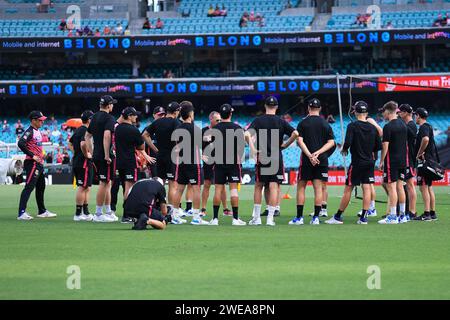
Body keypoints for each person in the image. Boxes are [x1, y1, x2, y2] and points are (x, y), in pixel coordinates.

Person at [325, 101, 381, 225]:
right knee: (366, 188)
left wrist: (344, 149)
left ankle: (338, 216)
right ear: (366, 113)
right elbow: (378, 146)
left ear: (355, 112)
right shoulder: (373, 128)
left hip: (357, 162)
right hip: (369, 162)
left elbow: (348, 142)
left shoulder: (353, 126)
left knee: (348, 189)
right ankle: (363, 218)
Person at [247, 96, 299, 226]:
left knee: (259, 186)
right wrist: (286, 145)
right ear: (276, 107)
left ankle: (257, 218)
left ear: (265, 106)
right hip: (276, 156)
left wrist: (253, 148)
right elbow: (296, 134)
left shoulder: (258, 120)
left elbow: (246, 134)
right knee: (274, 186)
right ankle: (270, 218)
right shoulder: (281, 121)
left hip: (262, 156)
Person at [292, 98, 334, 226]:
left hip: (306, 159)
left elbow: (300, 141)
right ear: (320, 109)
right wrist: (318, 153)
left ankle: (299, 218)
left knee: (301, 187)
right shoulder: (326, 123)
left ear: (308, 108)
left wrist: (310, 155)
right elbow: (331, 142)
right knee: (318, 189)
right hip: (321, 159)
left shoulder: (303, 123)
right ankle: (315, 217)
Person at [142, 102, 183, 222]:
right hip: (171, 157)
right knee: (172, 185)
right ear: (176, 112)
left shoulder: (157, 122)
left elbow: (145, 135)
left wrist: (155, 149)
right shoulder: (176, 122)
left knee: (160, 183)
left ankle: (156, 210)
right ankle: (172, 214)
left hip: (160, 156)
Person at [209, 104, 246, 226]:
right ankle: (235, 219)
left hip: (219, 162)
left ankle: (215, 219)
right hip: (233, 163)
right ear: (230, 114)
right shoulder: (237, 128)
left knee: (218, 190)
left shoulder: (215, 128)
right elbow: (241, 148)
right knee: (234, 190)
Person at [171, 101, 208, 225]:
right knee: (196, 189)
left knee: (179, 189)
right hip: (193, 162)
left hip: (181, 161)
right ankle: (196, 217)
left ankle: (175, 216)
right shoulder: (195, 128)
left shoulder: (178, 127)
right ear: (190, 113)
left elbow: (176, 145)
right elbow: (200, 146)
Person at [115, 107, 155, 221]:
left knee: (124, 187)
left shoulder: (117, 128)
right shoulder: (133, 130)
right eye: (134, 115)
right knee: (129, 188)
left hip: (120, 161)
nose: (136, 117)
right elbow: (141, 146)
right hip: (129, 161)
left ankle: (126, 214)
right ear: (129, 116)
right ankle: (127, 214)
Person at [17, 111, 57, 220]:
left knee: (41, 187)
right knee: (29, 187)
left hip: (38, 163)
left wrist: (41, 154)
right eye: (40, 120)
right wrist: (32, 155)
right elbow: (21, 143)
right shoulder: (29, 131)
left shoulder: (37, 131)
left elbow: (36, 146)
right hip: (32, 163)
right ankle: (21, 213)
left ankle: (42, 211)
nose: (42, 122)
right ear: (33, 120)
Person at [85, 95, 118, 222]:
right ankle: (98, 214)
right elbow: (106, 136)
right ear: (109, 105)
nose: (113, 106)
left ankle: (108, 211)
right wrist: (106, 155)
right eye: (112, 104)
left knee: (108, 182)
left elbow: (87, 136)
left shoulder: (94, 117)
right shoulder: (109, 118)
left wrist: (92, 152)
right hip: (105, 155)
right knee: (104, 183)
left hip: (97, 154)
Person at [377, 101, 408, 225]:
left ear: (388, 111)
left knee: (391, 187)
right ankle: (403, 215)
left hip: (392, 161)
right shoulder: (403, 125)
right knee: (400, 187)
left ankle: (393, 216)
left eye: (383, 111)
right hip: (402, 160)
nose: (382, 114)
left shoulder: (388, 127)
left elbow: (385, 146)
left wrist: (381, 161)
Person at [201, 111, 230, 217]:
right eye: (217, 120)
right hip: (208, 161)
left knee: (221, 185)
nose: (219, 121)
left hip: (220, 160)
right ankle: (203, 209)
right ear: (211, 119)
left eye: (220, 119)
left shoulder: (222, 130)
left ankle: (226, 209)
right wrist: (201, 155)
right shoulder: (204, 131)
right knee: (207, 184)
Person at [69, 110, 94, 222]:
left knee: (87, 187)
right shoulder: (85, 131)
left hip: (77, 161)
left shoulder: (78, 130)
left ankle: (85, 211)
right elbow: (83, 144)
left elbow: (69, 143)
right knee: (82, 187)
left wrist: (76, 152)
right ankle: (78, 213)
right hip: (83, 162)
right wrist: (86, 154)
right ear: (89, 120)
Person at [414, 108, 438, 221]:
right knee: (429, 187)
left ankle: (427, 213)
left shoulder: (423, 127)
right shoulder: (429, 126)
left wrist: (419, 153)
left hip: (424, 161)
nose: (415, 117)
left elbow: (425, 139)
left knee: (423, 187)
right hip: (430, 159)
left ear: (418, 116)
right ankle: (432, 212)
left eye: (415, 115)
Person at [398, 104, 418, 219]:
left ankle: (412, 211)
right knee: (407, 185)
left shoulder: (410, 125)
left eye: (400, 112)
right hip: (406, 159)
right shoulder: (408, 125)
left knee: (410, 185)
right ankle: (408, 211)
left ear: (405, 113)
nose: (399, 114)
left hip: (408, 159)